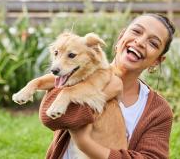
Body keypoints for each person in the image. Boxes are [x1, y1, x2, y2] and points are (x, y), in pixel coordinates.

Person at [39, 13, 175, 159]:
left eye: (153, 43)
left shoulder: (158, 111)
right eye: (136, 31)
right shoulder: (75, 74)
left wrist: (86, 144)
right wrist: (107, 93)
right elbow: (50, 118)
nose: (140, 42)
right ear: (120, 38)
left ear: (157, 61)